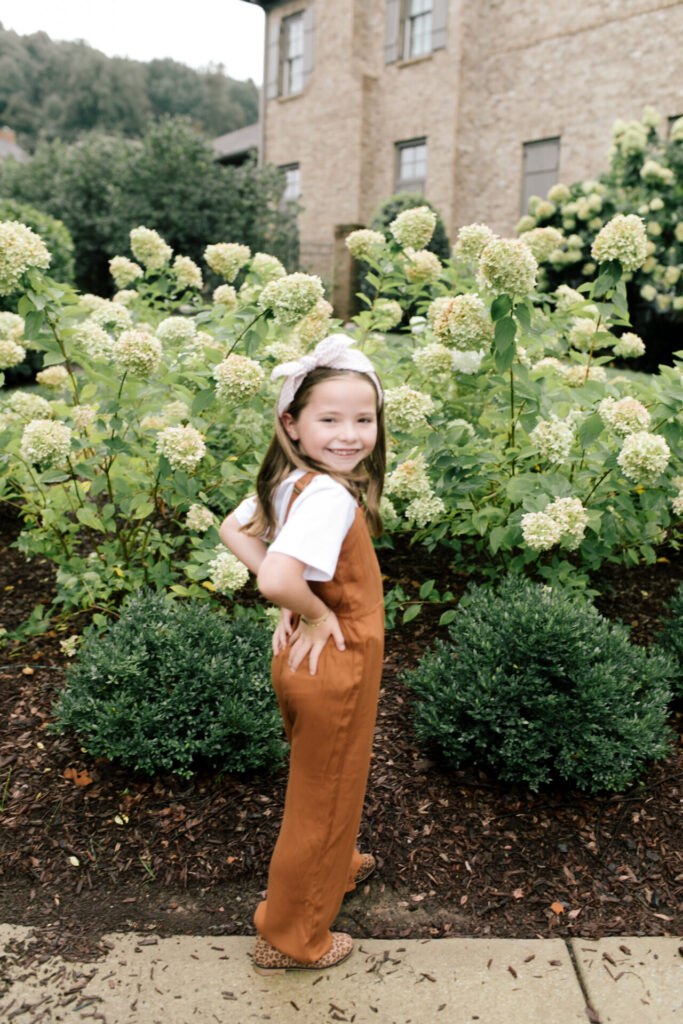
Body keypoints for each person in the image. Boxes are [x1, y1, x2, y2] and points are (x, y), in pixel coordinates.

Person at [219, 334, 386, 974]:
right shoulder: (329, 496)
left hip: (303, 664)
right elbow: (274, 579)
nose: (349, 434)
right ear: (292, 422)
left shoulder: (294, 480)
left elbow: (235, 529)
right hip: (333, 661)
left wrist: (296, 597)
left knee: (326, 784)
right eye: (330, 419)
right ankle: (292, 938)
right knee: (323, 795)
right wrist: (309, 607)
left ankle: (336, 865)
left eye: (363, 419)